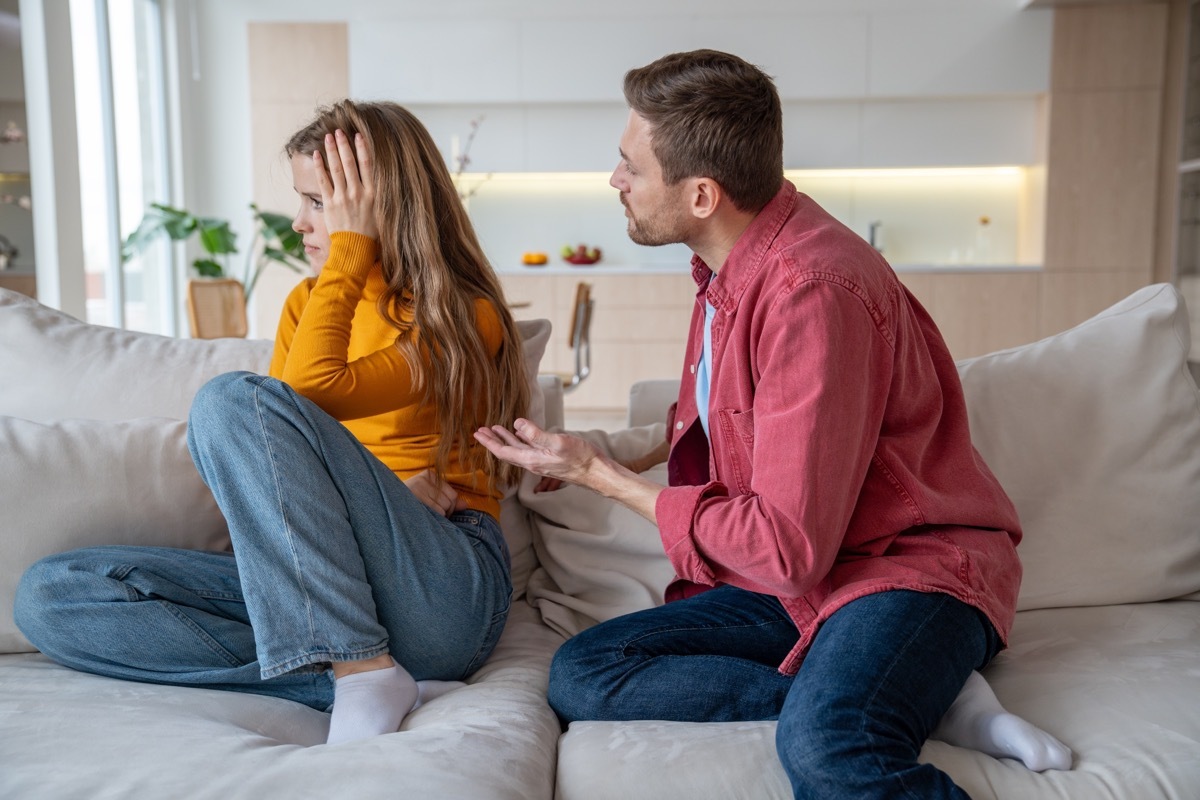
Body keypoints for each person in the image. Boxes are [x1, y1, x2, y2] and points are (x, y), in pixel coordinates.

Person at [475, 50, 1072, 797]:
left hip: (901, 572)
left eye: (630, 165)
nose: (615, 181)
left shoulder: (811, 292)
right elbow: (718, 426)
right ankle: (913, 697)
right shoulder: (726, 274)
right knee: (585, 671)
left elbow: (787, 548)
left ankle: (869, 699)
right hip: (809, 580)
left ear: (700, 194)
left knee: (831, 748)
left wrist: (599, 477)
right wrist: (581, 450)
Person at [14, 100, 529, 746]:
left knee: (229, 400)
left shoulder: (458, 314)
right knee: (50, 596)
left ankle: (364, 670)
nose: (300, 223)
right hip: (322, 582)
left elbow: (308, 393)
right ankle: (357, 672)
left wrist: (349, 254)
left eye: (319, 202)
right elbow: (278, 454)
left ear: (378, 206)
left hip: (439, 584)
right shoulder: (307, 305)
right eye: (303, 201)